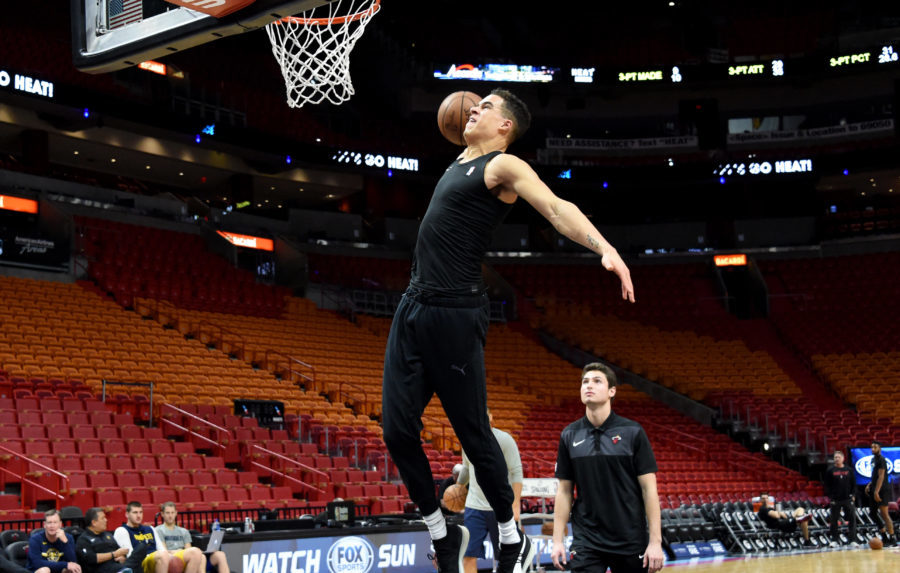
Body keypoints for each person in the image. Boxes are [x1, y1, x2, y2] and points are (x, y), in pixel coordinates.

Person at [382, 88, 634, 573]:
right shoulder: (461, 156)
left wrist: (605, 248)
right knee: (395, 430)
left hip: (456, 313)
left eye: (487, 107)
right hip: (413, 305)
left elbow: (557, 208)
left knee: (477, 437)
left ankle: (509, 532)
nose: (474, 107)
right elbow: (461, 112)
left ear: (505, 128)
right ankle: (442, 531)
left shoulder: (503, 167)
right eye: (472, 105)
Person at [551, 363, 663, 573]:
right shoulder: (569, 435)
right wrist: (557, 540)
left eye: (596, 381)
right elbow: (564, 491)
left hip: (629, 538)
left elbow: (650, 490)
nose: (588, 386)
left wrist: (655, 542)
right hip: (587, 539)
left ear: (612, 391)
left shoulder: (633, 432)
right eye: (585, 382)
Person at [459, 409, 523, 573]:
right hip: (474, 507)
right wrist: (458, 487)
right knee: (468, 556)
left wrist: (515, 505)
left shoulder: (505, 440)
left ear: (491, 417)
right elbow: (466, 468)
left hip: (500, 507)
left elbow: (516, 473)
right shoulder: (467, 442)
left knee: (506, 559)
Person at [154, 503, 228, 573]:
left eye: (172, 513)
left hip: (187, 557)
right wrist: (178, 551)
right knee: (200, 557)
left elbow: (188, 548)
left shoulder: (184, 531)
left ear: (176, 513)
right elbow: (164, 551)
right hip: (173, 559)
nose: (170, 516)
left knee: (220, 555)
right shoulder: (158, 530)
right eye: (167, 513)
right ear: (162, 514)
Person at [113, 502, 170, 573]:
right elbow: (131, 556)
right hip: (140, 563)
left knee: (182, 557)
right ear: (127, 514)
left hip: (157, 557)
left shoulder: (150, 528)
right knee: (163, 556)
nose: (138, 515)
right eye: (135, 512)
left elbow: (162, 549)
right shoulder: (122, 530)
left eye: (140, 512)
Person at [75, 508, 131, 573]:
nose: (106, 520)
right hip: (98, 570)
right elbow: (91, 558)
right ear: (94, 522)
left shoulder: (108, 535)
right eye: (103, 518)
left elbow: (119, 551)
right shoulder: (83, 539)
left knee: (139, 553)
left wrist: (122, 558)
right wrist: (114, 554)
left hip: (117, 567)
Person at [823, 450, 857, 546]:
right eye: (835, 457)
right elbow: (827, 485)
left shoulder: (849, 470)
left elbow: (854, 484)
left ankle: (853, 540)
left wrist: (853, 495)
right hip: (835, 499)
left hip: (847, 498)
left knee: (852, 519)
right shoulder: (830, 470)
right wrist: (830, 496)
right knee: (834, 520)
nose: (837, 459)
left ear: (843, 458)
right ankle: (834, 540)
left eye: (838, 457)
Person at [865, 441, 896, 546]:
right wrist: (870, 484)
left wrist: (876, 491)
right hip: (875, 487)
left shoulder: (882, 460)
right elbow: (875, 475)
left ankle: (892, 538)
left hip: (882, 490)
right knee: (872, 513)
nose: (873, 449)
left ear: (880, 448)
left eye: (875, 447)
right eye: (871, 447)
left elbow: (881, 476)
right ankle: (884, 536)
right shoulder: (874, 459)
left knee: (884, 513)